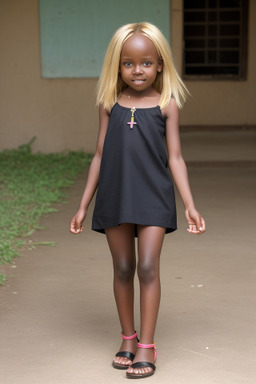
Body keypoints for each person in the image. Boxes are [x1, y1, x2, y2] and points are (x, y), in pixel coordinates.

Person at [70, 22, 206, 379]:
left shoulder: (167, 104)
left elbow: (175, 157)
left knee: (147, 266)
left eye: (146, 62)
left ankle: (147, 344)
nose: (138, 70)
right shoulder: (108, 103)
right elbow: (99, 154)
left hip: (153, 195)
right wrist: (84, 204)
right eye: (128, 63)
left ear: (160, 64)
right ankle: (128, 338)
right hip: (115, 194)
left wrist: (190, 204)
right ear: (117, 66)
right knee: (123, 268)